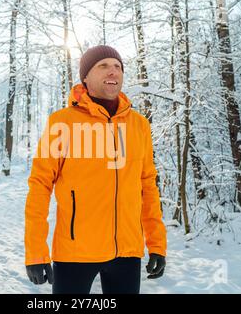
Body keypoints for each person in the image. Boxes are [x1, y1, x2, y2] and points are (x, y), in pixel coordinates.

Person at [25, 45, 167, 294]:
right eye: (103, 66)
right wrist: (36, 252)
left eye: (118, 67)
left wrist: (157, 244)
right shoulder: (63, 123)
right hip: (75, 253)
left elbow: (148, 186)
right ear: (85, 77)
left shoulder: (138, 125)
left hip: (127, 252)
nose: (113, 72)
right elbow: (40, 185)